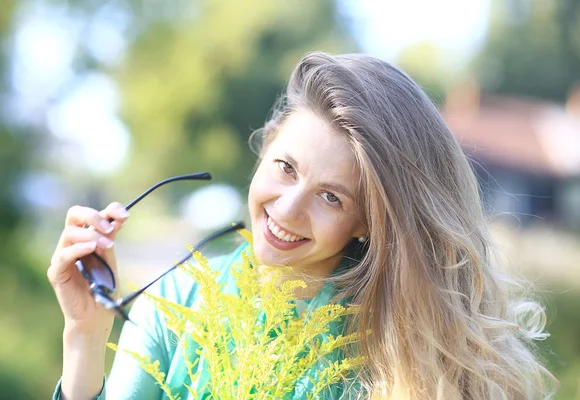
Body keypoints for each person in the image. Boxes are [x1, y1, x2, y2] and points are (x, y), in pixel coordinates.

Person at [48, 52, 556, 399]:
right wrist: (84, 337)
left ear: (367, 225)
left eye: (331, 197)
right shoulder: (175, 303)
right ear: (265, 148)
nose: (288, 209)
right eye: (285, 167)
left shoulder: (398, 343)